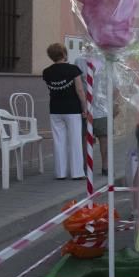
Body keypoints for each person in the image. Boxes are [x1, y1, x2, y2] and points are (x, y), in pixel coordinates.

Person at [43, 43, 87, 180]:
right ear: (64, 53)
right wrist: (85, 107)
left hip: (55, 109)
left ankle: (60, 173)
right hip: (72, 109)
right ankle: (77, 172)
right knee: (75, 141)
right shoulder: (73, 69)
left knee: (58, 141)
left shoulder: (46, 72)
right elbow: (80, 90)